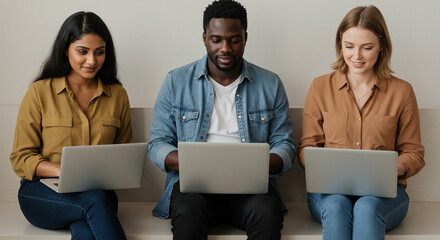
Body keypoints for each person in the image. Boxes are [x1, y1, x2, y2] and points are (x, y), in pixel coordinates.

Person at [148, 0, 296, 239]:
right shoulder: (176, 81)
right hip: (194, 189)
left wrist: (253, 165)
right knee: (186, 212)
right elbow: (157, 144)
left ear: (245, 38)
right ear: (205, 38)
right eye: (217, 39)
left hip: (251, 189)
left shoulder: (270, 84)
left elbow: (285, 145)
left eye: (234, 39)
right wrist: (197, 164)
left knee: (267, 212)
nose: (225, 48)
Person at [298, 5, 425, 240]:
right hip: (329, 193)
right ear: (340, 44)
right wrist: (325, 164)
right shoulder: (319, 87)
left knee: (366, 207)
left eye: (367, 48)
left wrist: (390, 168)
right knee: (337, 206)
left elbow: (414, 153)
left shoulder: (402, 91)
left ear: (382, 46)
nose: (356, 56)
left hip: (385, 195)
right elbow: (306, 150)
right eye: (349, 46)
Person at [9, 11, 132, 240]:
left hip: (98, 195)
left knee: (86, 224)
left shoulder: (118, 95)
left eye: (100, 52)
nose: (92, 61)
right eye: (82, 52)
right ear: (66, 50)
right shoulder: (39, 92)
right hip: (42, 193)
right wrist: (66, 171)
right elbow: (21, 157)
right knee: (94, 203)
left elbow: (125, 155)